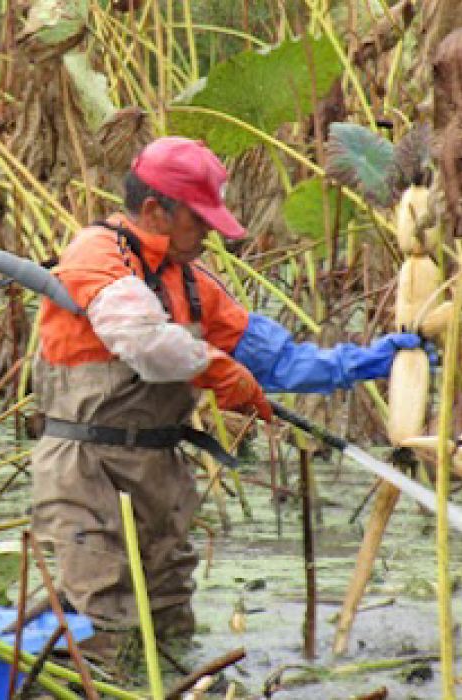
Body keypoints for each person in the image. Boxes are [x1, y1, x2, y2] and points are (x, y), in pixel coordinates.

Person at [31, 136, 422, 647]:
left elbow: (281, 361)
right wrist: (214, 367)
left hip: (158, 473)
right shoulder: (96, 254)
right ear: (155, 210)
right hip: (86, 470)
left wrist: (373, 361)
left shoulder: (193, 284)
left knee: (170, 617)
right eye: (200, 220)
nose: (211, 235)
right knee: (105, 621)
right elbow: (143, 340)